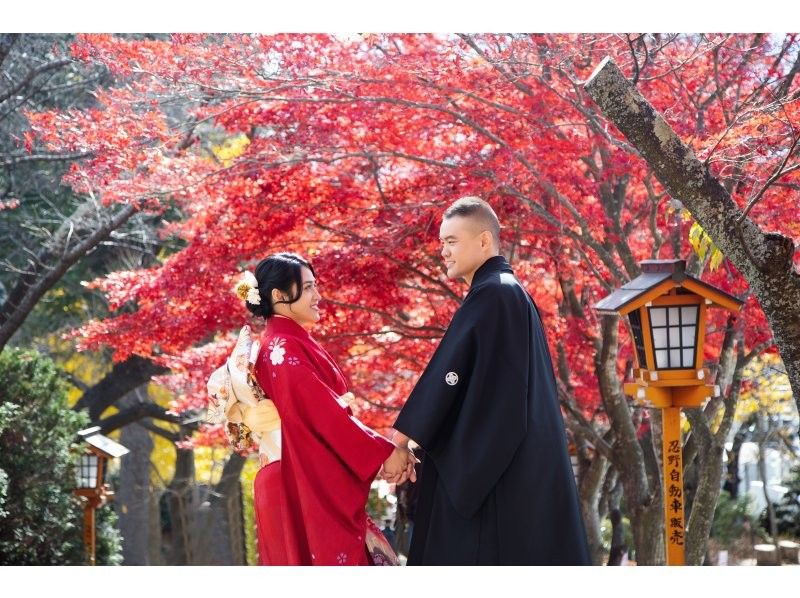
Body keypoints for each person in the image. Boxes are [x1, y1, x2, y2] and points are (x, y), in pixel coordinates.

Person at [386, 197, 592, 565]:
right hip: (518, 466)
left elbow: (450, 374)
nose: (443, 252)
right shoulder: (505, 292)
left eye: (452, 241)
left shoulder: (496, 293)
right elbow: (471, 380)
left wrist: (400, 441)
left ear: (484, 241)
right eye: (442, 242)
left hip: (499, 477)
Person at [225, 252, 416, 565]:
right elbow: (323, 415)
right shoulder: (282, 348)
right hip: (294, 480)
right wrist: (383, 452)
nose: (318, 295)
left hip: (295, 475)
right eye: (309, 287)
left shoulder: (285, 343)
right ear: (279, 296)